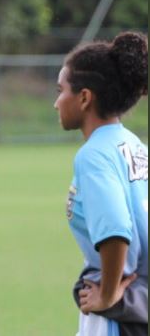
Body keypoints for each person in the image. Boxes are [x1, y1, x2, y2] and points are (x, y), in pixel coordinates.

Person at [54, 31, 148, 336]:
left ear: (84, 98)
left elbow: (116, 228)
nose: (56, 103)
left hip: (117, 313)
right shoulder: (133, 144)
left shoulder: (93, 156)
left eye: (61, 90)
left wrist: (107, 294)